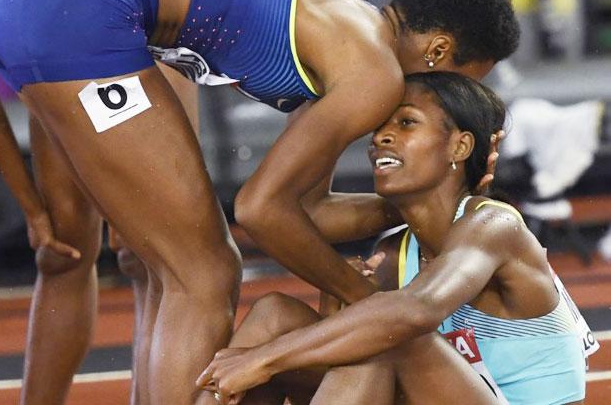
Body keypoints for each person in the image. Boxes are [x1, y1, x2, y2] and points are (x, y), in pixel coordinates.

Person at [0, 0, 519, 402]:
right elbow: (261, 210)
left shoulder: (346, 35)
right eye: (461, 84)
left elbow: (306, 212)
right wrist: (363, 301)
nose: (450, 99)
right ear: (440, 52)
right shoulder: (373, 75)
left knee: (173, 269)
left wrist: (426, 206)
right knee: (206, 272)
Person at [197, 72, 588, 405]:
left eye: (406, 123)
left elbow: (412, 314)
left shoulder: (494, 226)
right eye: (380, 126)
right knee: (276, 314)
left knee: (393, 337)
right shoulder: (394, 251)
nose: (381, 137)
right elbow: (345, 362)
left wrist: (262, 360)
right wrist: (336, 298)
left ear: (460, 146)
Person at [0, 0, 199, 404]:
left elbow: (17, 61)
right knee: (62, 252)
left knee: (151, 247)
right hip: (61, 25)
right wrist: (33, 209)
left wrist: (111, 179)